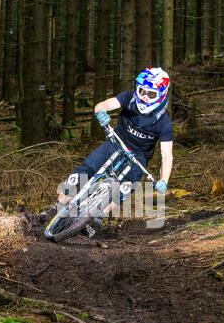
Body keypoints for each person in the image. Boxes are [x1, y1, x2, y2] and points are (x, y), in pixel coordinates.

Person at [48, 67, 173, 235]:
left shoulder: (164, 121)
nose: (144, 96)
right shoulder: (129, 98)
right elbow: (104, 104)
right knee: (84, 172)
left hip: (139, 157)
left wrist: (164, 180)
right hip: (115, 142)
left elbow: (167, 155)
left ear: (161, 95)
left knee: (125, 189)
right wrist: (101, 112)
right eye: (142, 90)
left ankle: (98, 217)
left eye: (151, 94)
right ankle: (57, 207)